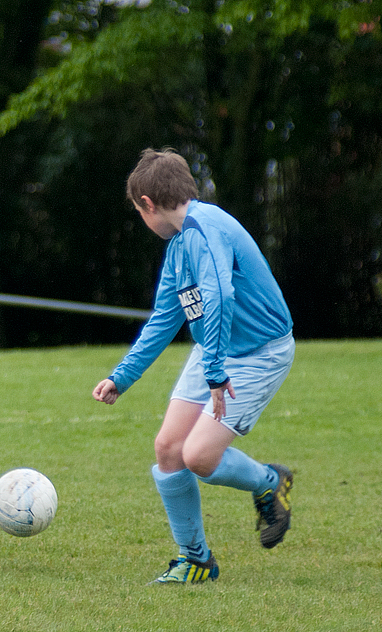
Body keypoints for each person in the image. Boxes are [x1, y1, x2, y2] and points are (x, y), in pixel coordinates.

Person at [92, 148, 295, 584]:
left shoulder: (206, 231)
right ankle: (196, 559)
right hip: (215, 351)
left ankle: (267, 481)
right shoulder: (180, 244)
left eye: (137, 211)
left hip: (259, 353)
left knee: (199, 456)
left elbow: (220, 296)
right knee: (168, 448)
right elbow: (165, 318)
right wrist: (121, 376)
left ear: (147, 203)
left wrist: (218, 373)